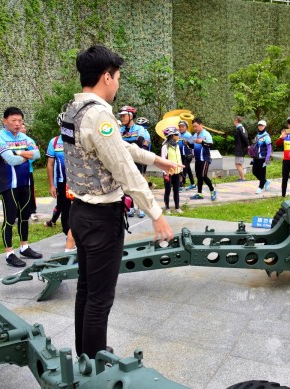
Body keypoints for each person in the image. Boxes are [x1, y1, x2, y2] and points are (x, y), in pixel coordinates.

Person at [63, 44, 180, 358]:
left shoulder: (72, 110)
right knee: (100, 299)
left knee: (86, 290)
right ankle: (96, 366)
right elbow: (124, 169)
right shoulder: (99, 113)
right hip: (101, 219)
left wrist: (157, 160)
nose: (117, 84)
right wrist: (155, 213)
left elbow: (118, 149)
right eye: (117, 78)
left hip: (80, 213)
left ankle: (87, 354)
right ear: (106, 77)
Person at [0, 107, 42, 267]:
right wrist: (26, 154)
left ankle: (24, 247)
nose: (17, 124)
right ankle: (9, 253)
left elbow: (37, 155)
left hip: (24, 181)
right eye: (13, 120)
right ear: (4, 120)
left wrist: (18, 153)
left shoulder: (23, 136)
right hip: (8, 183)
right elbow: (11, 160)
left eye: (20, 120)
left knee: (24, 215)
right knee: (10, 218)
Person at [119, 106, 151, 218]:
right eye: (121, 116)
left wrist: (125, 143)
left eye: (124, 116)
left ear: (131, 116)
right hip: (126, 160)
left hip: (138, 160)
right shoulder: (120, 130)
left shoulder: (140, 129)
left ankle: (141, 207)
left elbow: (140, 142)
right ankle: (130, 207)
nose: (122, 118)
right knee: (128, 185)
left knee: (139, 184)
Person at [189, 117, 216, 201]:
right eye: (193, 126)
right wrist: (187, 143)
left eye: (196, 126)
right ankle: (199, 193)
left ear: (201, 125)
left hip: (205, 158)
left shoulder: (206, 134)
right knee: (199, 176)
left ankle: (212, 190)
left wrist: (202, 142)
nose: (195, 128)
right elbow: (192, 145)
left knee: (203, 176)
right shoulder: (195, 135)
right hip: (197, 159)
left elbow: (211, 145)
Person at [18, 123, 39, 221]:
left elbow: (34, 155)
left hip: (27, 170)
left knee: (30, 191)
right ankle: (17, 213)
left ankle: (32, 211)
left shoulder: (30, 142)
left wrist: (25, 159)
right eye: (21, 128)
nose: (22, 129)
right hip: (15, 171)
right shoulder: (14, 142)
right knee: (16, 192)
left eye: (24, 127)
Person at [161, 127, 183, 214]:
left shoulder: (177, 145)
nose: (178, 136)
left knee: (176, 190)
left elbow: (179, 158)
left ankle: (177, 207)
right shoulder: (165, 146)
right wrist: (165, 173)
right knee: (168, 190)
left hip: (177, 172)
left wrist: (180, 171)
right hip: (168, 173)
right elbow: (163, 160)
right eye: (177, 134)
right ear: (172, 135)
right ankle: (167, 208)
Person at [251, 120, 272, 194]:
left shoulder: (266, 136)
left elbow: (269, 148)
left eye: (262, 125)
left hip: (263, 158)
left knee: (262, 173)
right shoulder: (257, 135)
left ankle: (260, 187)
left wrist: (267, 157)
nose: (260, 127)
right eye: (259, 125)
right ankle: (265, 181)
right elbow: (254, 146)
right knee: (254, 172)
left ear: (265, 126)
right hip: (256, 157)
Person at [177, 120, 195, 191]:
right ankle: (193, 184)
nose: (181, 128)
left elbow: (193, 146)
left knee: (183, 169)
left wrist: (193, 154)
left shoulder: (189, 135)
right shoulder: (178, 134)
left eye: (182, 126)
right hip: (181, 155)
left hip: (187, 155)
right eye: (180, 126)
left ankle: (180, 185)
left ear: (186, 127)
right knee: (188, 169)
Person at [233, 116, 249, 181]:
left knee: (238, 164)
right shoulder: (241, 128)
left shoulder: (240, 128)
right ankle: (241, 177)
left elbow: (245, 138)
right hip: (240, 149)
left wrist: (247, 145)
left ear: (236, 121)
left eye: (234, 120)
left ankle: (243, 178)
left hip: (240, 149)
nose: (233, 122)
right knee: (239, 164)